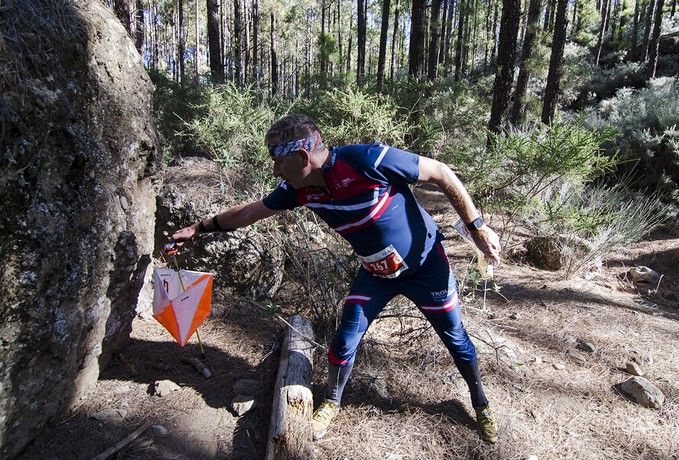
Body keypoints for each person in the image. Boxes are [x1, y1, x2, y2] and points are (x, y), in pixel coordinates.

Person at [170, 113, 502, 444]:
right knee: (343, 341)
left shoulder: (367, 160)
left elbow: (440, 172)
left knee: (456, 340)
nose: (274, 171)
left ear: (302, 158)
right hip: (376, 274)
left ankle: (480, 403)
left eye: (277, 161)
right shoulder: (297, 190)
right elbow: (247, 213)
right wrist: (198, 228)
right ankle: (331, 402)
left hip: (427, 268)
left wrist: (477, 226)